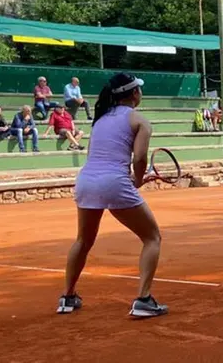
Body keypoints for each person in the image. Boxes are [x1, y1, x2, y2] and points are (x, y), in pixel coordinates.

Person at [57, 73, 167, 318]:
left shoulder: (99, 120)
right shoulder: (140, 121)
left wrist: (128, 178)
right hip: (113, 182)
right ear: (134, 94)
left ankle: (67, 297)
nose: (141, 92)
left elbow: (102, 157)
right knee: (152, 238)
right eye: (139, 89)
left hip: (86, 181)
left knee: (83, 241)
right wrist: (137, 180)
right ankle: (143, 300)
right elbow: (139, 159)